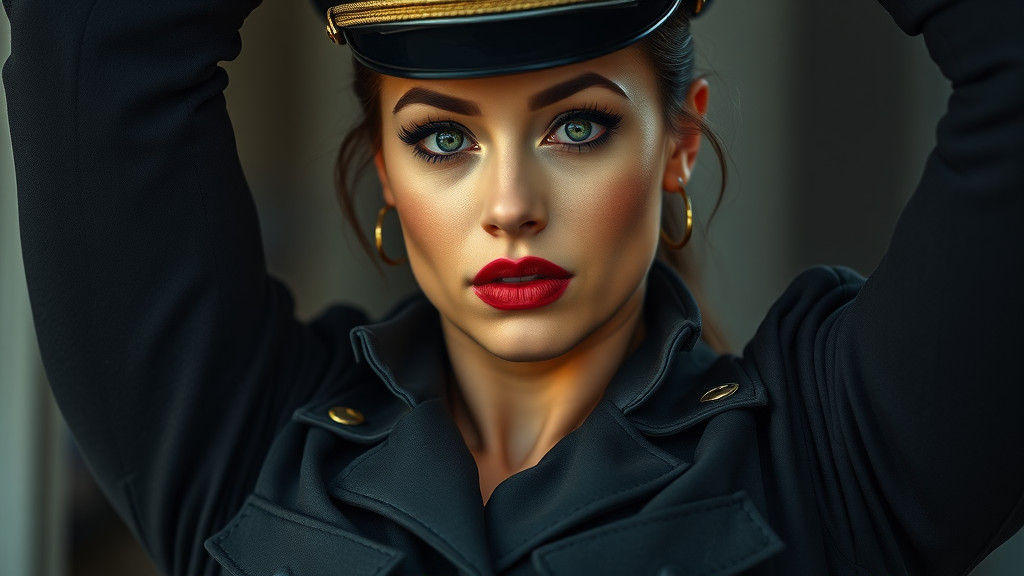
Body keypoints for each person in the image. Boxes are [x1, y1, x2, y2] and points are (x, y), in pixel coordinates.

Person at [3, 0, 1022, 573]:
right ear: (384, 176)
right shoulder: (241, 451)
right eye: (443, 138)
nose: (510, 204)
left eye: (576, 126)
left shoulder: (837, 463)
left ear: (679, 140)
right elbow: (93, 31)